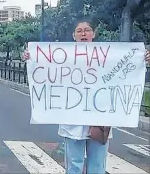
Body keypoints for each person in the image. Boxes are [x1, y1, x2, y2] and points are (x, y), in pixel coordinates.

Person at [22, 18, 150, 174]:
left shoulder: (108, 57)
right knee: (74, 166)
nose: (83, 33)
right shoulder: (63, 58)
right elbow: (45, 71)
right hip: (72, 122)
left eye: (87, 30)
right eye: (79, 30)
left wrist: (141, 59)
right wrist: (32, 58)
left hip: (100, 121)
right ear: (74, 35)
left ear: (93, 34)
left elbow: (126, 69)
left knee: (97, 167)